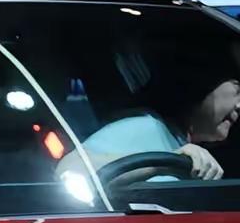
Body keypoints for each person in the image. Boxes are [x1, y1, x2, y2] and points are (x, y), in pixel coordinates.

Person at [76, 57, 240, 181]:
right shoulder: (146, 125)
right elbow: (72, 170)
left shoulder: (181, 141)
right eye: (238, 91)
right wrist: (163, 163)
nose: (239, 105)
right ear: (204, 81)